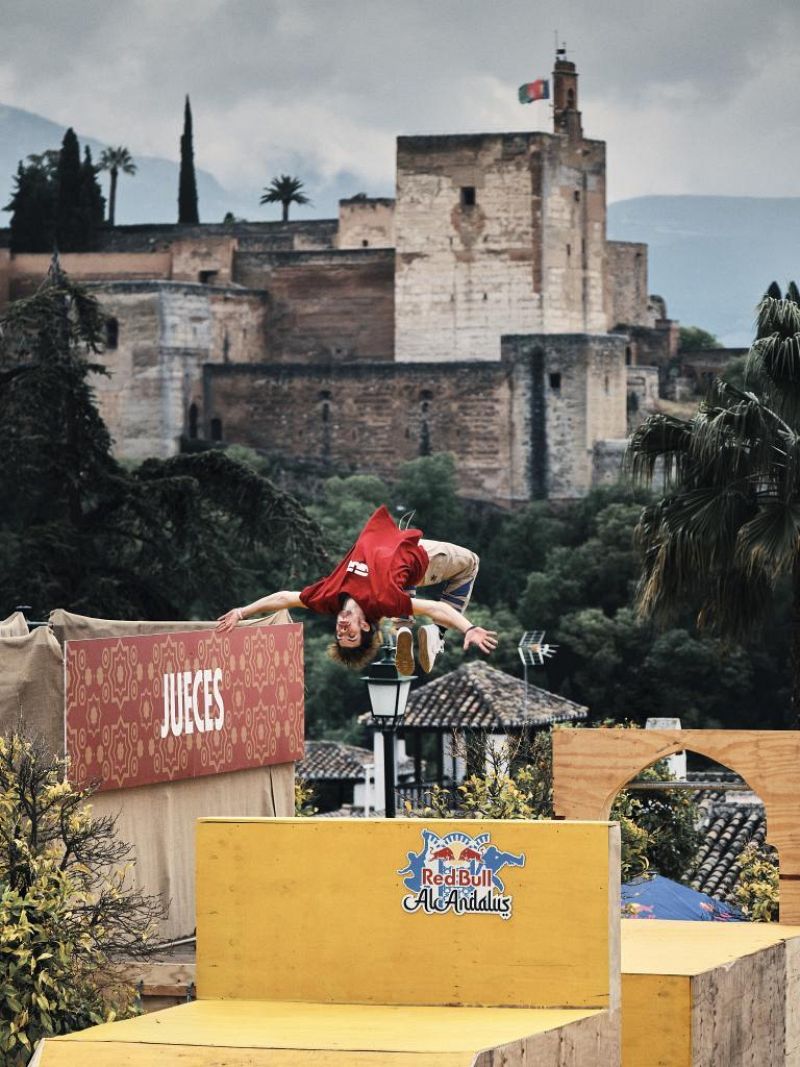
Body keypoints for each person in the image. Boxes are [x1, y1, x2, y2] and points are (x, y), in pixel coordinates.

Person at [216, 504, 497, 673]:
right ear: (364, 628)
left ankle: (402, 629)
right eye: (349, 636)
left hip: (399, 566)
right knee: (471, 564)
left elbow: (283, 597)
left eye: (340, 635)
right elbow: (437, 607)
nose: (342, 631)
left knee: (400, 590)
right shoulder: (380, 602)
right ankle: (436, 635)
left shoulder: (327, 598)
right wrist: (469, 628)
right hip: (424, 558)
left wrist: (242, 612)